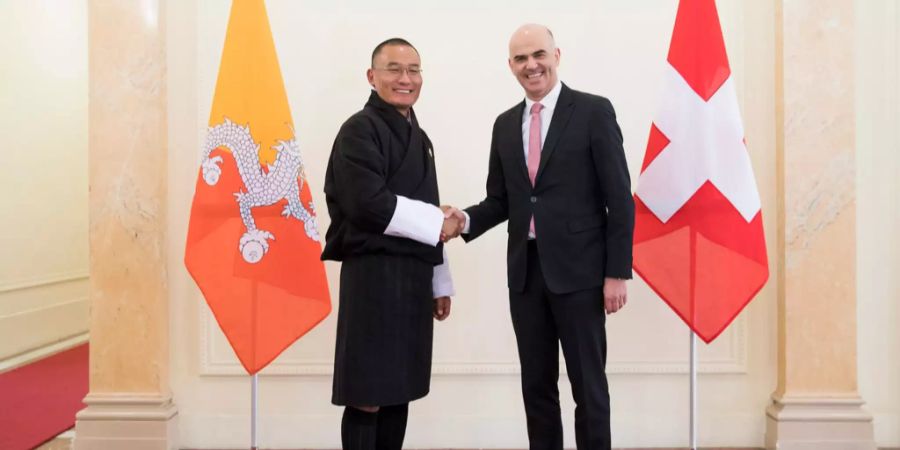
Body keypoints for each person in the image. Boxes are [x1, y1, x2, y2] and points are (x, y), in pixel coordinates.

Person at [444, 24, 635, 450]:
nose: (531, 66)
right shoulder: (504, 124)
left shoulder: (592, 111)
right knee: (537, 388)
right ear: (510, 66)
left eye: (538, 55)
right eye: (520, 59)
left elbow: (619, 198)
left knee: (589, 388)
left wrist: (617, 272)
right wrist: (463, 220)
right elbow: (501, 201)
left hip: (582, 276)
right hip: (526, 277)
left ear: (556, 55)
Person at [321, 38, 462, 450]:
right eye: (394, 69)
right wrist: (439, 220)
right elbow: (368, 205)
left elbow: (426, 206)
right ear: (372, 76)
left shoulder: (421, 139)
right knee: (368, 393)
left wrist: (439, 281)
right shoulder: (358, 131)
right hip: (373, 278)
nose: (405, 78)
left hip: (413, 280)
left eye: (414, 70)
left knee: (400, 387)